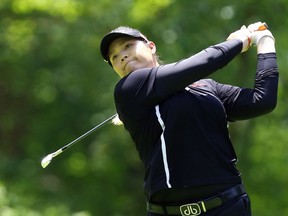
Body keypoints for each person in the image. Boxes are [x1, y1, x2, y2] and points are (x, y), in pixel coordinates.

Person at [100, 22, 278, 216]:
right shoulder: (129, 88)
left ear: (151, 46)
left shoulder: (206, 87)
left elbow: (261, 100)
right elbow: (206, 61)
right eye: (114, 57)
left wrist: (265, 41)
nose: (122, 56)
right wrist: (240, 40)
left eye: (127, 46)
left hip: (228, 207)